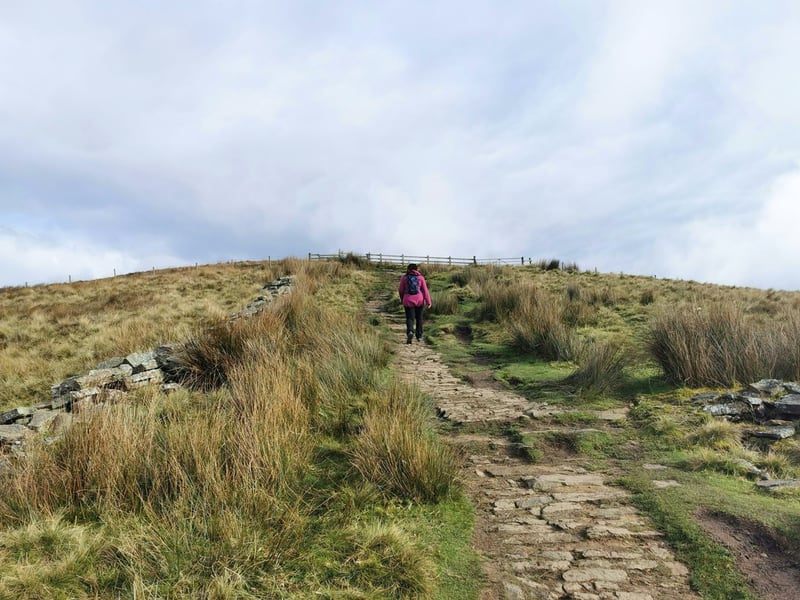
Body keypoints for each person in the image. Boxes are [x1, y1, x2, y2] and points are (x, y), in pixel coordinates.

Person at [398, 263, 432, 344]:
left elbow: (400, 290)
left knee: (410, 318)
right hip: (419, 300)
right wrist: (428, 301)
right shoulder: (421, 278)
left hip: (408, 300)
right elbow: (425, 290)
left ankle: (410, 332)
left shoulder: (404, 278)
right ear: (416, 269)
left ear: (408, 269)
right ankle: (419, 336)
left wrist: (403, 298)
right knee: (419, 318)